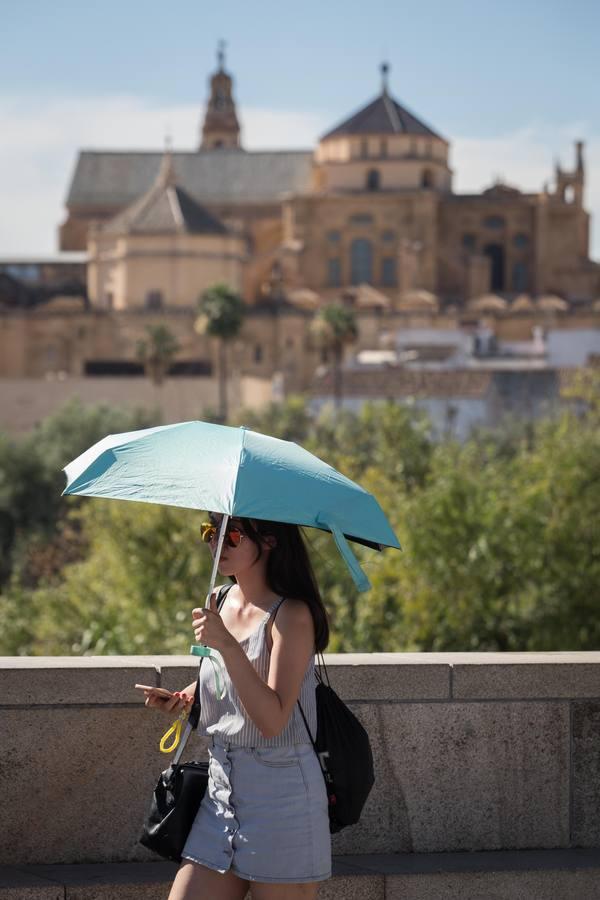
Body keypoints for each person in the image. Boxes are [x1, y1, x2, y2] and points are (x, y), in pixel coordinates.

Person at [143, 513, 331, 900]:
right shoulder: (220, 600)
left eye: (231, 535)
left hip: (283, 795)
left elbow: (273, 719)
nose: (216, 543)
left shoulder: (291, 615)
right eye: (210, 532)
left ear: (271, 541)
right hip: (222, 790)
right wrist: (188, 697)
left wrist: (226, 644)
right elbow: (230, 676)